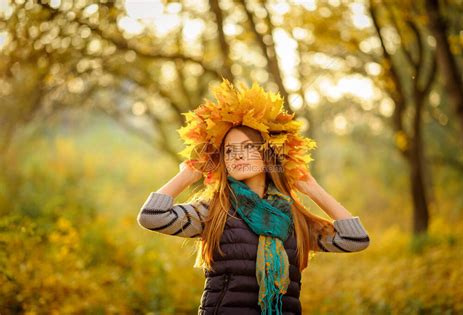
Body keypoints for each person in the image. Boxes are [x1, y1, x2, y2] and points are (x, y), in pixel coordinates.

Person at [137, 79, 370, 315]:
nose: (238, 156)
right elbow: (151, 216)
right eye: (229, 150)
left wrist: (311, 188)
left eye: (248, 147)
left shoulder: (294, 219)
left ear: (268, 154)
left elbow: (356, 238)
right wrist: (191, 172)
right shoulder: (216, 210)